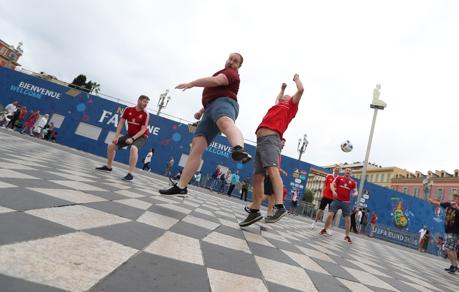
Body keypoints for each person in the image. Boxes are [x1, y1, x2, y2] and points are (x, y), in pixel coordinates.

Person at [160, 53, 251, 196]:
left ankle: (239, 149)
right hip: (210, 108)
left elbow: (216, 82)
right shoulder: (225, 71)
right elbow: (214, 94)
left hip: (225, 102)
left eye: (235, 61)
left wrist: (192, 83)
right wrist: (201, 111)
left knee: (225, 122)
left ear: (238, 67)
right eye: (230, 58)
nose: (231, 62)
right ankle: (181, 186)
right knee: (197, 146)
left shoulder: (231, 73)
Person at [239, 75, 304, 227]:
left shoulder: (290, 107)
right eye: (283, 97)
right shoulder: (277, 105)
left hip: (271, 139)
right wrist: (282, 89)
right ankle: (255, 210)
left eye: (287, 96)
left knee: (273, 170)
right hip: (261, 142)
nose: (285, 97)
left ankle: (280, 207)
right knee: (257, 176)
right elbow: (278, 98)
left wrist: (296, 79)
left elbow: (301, 90)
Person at [95, 95, 150, 181]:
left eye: (147, 102)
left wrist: (132, 139)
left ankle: (130, 174)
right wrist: (116, 136)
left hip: (141, 136)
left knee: (133, 148)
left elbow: (143, 130)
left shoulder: (145, 114)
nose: (146, 104)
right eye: (144, 102)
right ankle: (109, 167)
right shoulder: (128, 110)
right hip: (130, 134)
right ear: (139, 100)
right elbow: (121, 123)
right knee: (111, 145)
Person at [319, 167, 358, 244]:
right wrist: (333, 191)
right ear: (344, 172)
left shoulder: (353, 182)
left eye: (349, 171)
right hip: (337, 200)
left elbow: (356, 191)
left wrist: (355, 194)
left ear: (351, 173)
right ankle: (325, 229)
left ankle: (347, 236)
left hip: (346, 202)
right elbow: (331, 185)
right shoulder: (339, 178)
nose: (348, 171)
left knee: (348, 219)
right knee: (330, 214)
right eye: (347, 170)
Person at [429, 194, 459, 273]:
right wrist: (432, 201)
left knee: (448, 249)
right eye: (453, 198)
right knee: (453, 250)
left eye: (456, 198)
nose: (453, 199)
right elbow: (439, 203)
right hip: (449, 231)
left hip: (454, 232)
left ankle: (454, 266)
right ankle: (455, 266)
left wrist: (458, 207)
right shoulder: (448, 205)